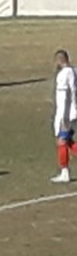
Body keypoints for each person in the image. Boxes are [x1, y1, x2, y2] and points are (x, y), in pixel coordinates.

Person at [51, 50, 77, 183]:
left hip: (66, 114)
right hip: (73, 113)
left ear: (59, 60)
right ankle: (64, 171)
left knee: (61, 141)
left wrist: (62, 118)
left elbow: (64, 97)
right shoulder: (74, 71)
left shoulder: (63, 75)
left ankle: (64, 172)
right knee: (68, 141)